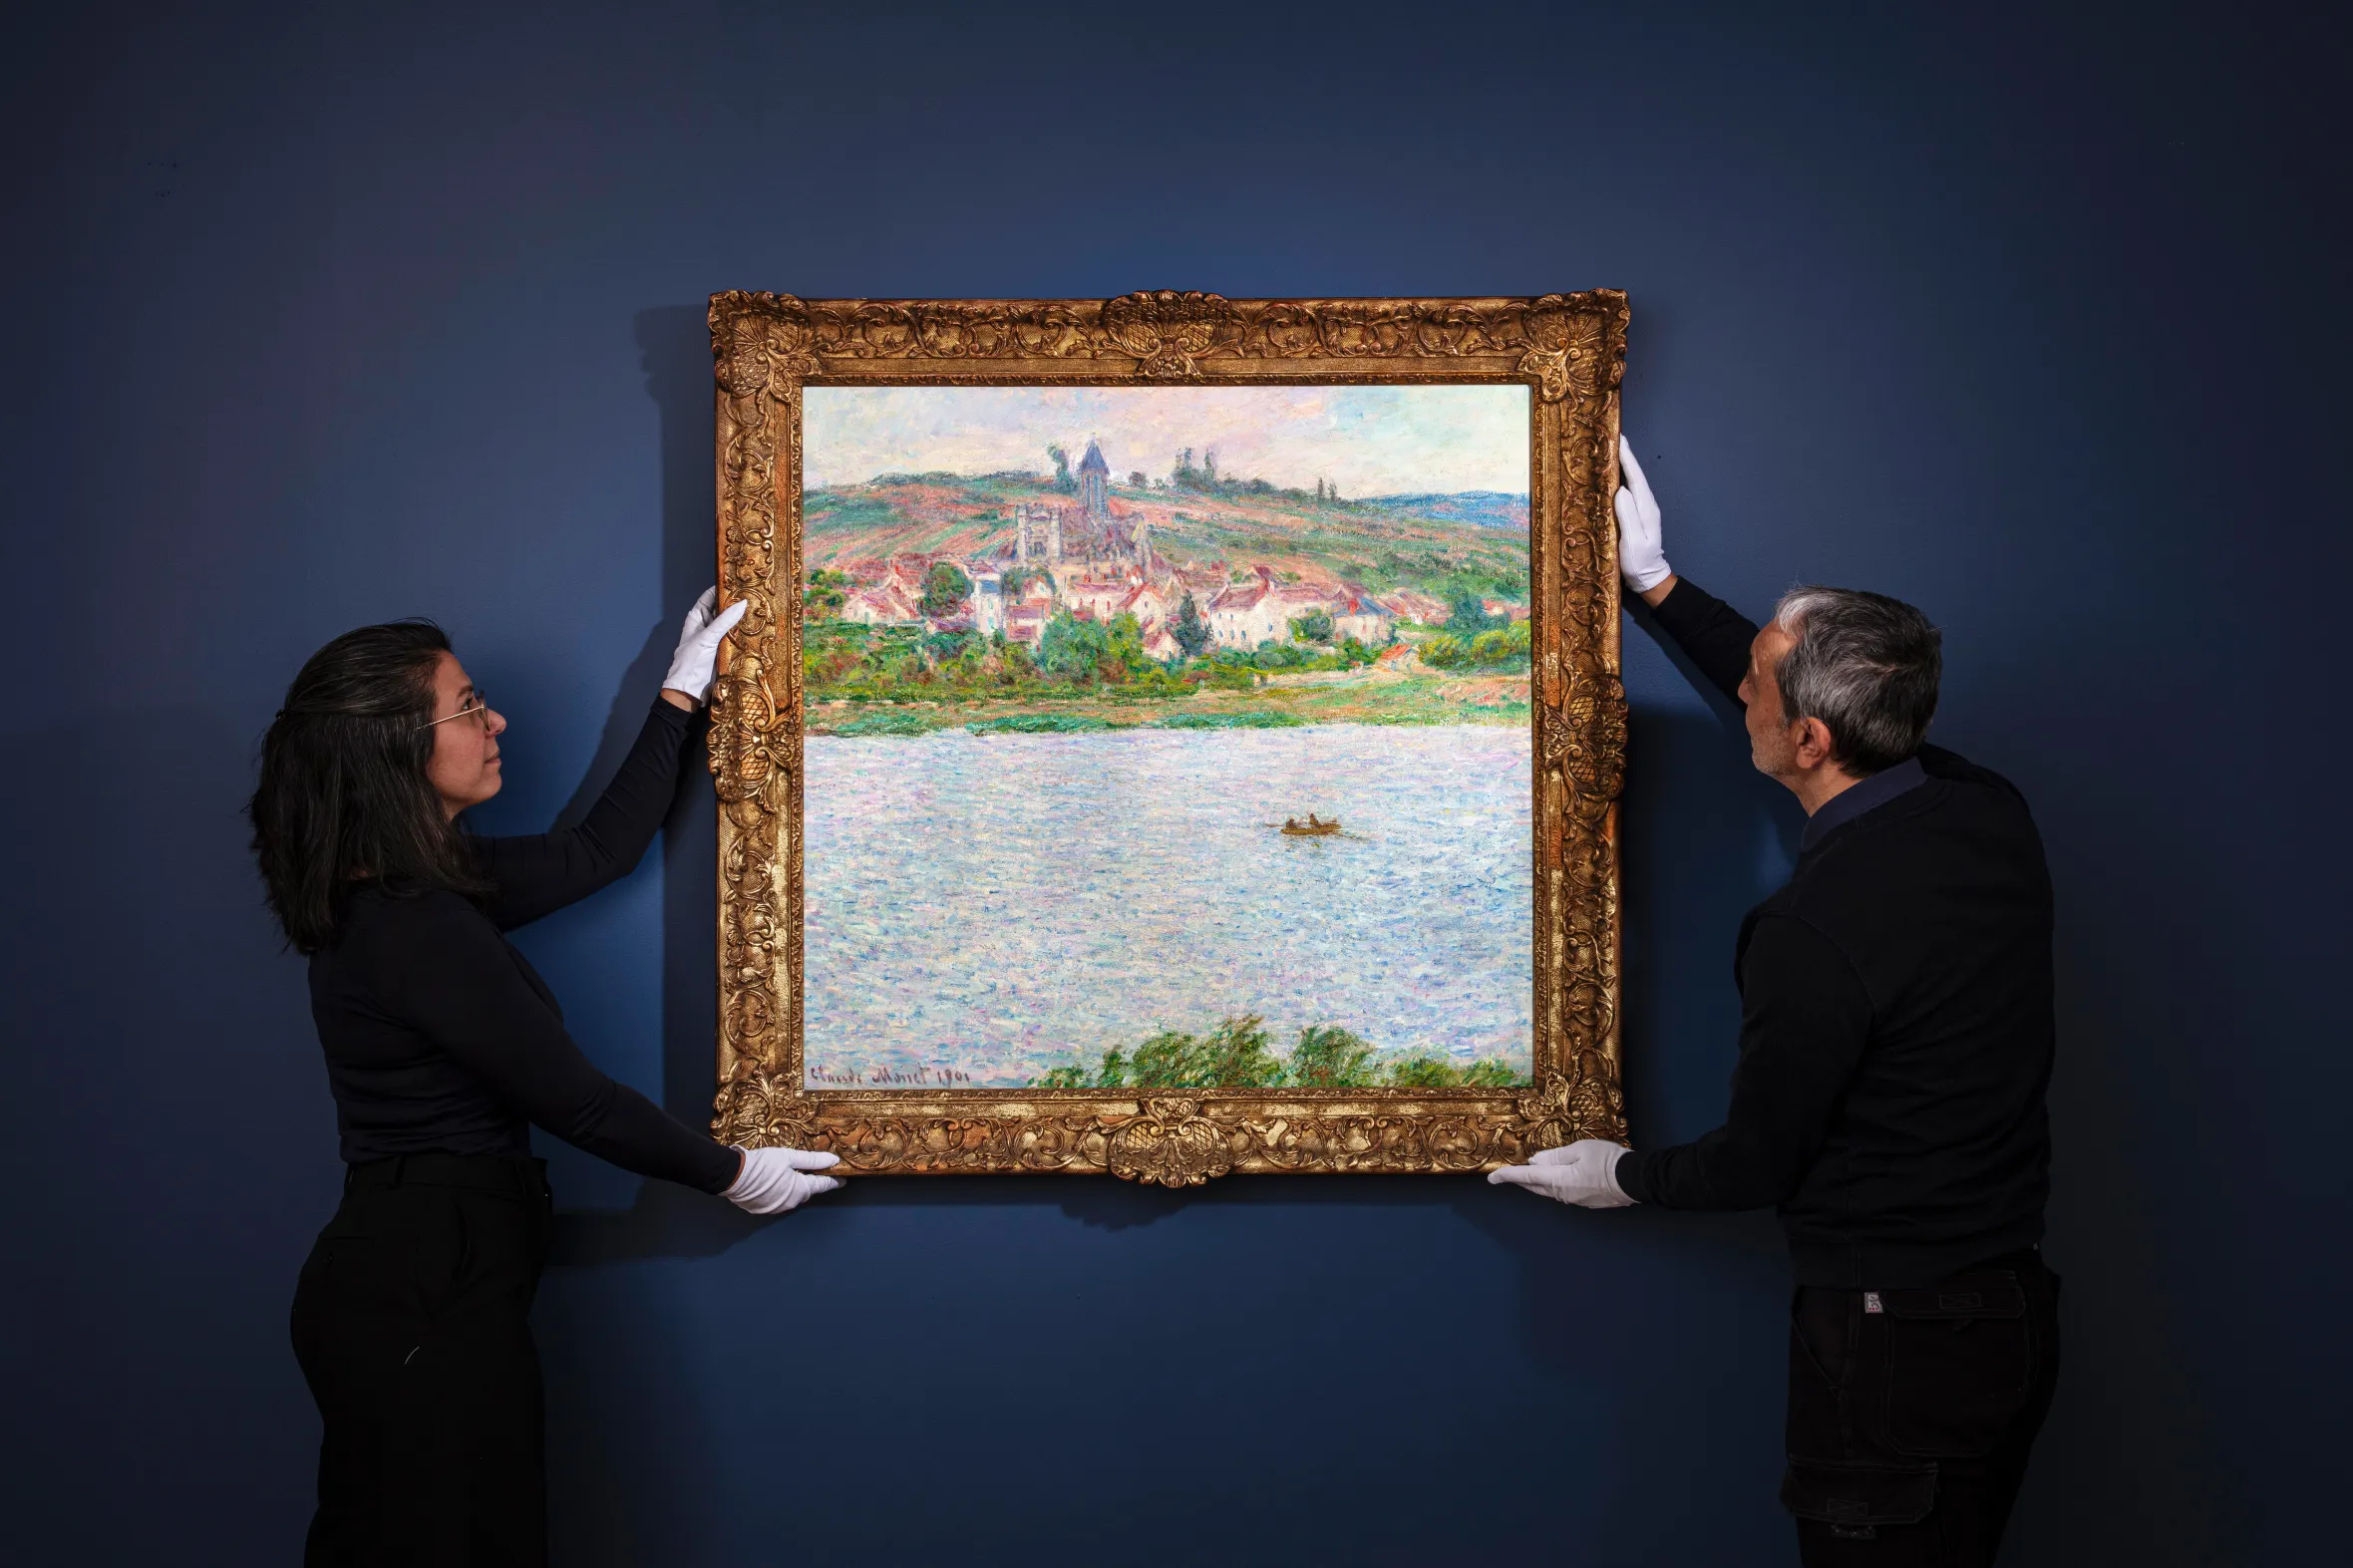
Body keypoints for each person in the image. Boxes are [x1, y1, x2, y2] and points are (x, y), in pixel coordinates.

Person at [1490, 439, 2059, 1566]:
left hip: (1890, 1351)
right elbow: (1830, 698)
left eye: (1754, 679)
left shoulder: (1811, 930)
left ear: (1806, 738)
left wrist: (1615, 1172)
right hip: (2004, 1324)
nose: (1738, 686)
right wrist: (1655, 587)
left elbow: (1755, 1165)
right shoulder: (1985, 811)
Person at [249, 590, 840, 1566]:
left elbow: (594, 853)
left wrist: (680, 694)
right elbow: (576, 1099)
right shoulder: (411, 924)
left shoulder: (419, 888)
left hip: (426, 1283)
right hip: (417, 1299)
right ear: (398, 746)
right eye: (469, 704)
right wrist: (732, 1170)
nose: (497, 721)